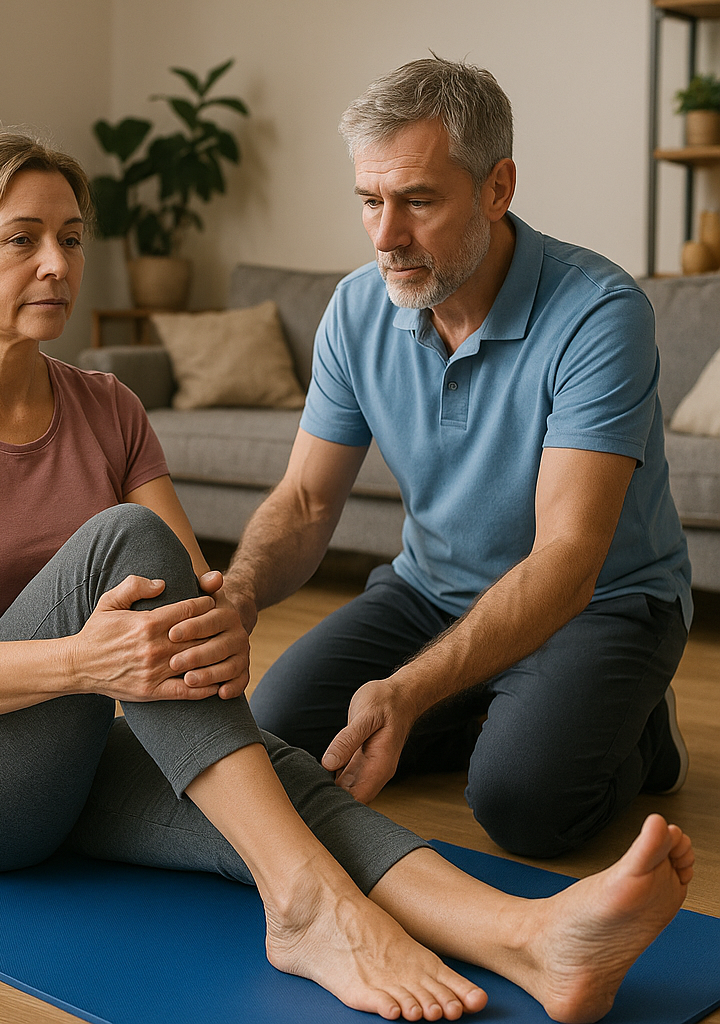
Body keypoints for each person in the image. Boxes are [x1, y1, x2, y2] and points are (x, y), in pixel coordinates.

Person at [0, 125, 694, 1023]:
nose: (56, 263)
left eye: (71, 238)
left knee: (275, 780)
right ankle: (309, 909)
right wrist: (90, 664)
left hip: (61, 758)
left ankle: (530, 938)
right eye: (21, 238)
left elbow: (188, 593)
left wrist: (219, 627)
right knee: (125, 541)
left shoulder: (109, 407)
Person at [210, 58, 694, 860]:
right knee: (274, 739)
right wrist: (241, 593)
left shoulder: (600, 314)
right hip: (429, 591)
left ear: (497, 188)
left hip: (599, 602)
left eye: (419, 201)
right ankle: (492, 702)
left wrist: (406, 691)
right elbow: (303, 502)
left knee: (524, 804)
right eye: (370, 201)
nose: (385, 236)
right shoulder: (358, 308)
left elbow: (569, 560)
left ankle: (640, 734)